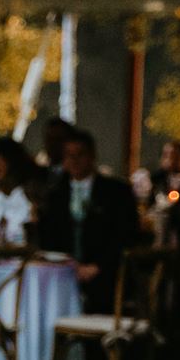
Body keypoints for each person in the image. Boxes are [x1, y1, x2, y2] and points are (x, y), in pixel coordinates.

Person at [34, 129, 136, 313]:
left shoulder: (116, 192)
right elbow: (48, 236)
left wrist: (96, 267)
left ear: (92, 156)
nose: (74, 160)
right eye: (69, 155)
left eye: (80, 154)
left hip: (105, 275)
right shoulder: (55, 195)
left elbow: (124, 234)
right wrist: (68, 265)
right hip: (61, 274)